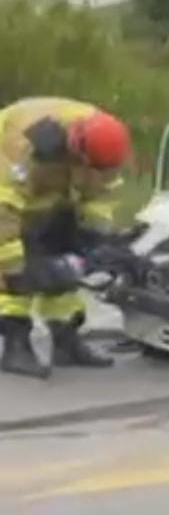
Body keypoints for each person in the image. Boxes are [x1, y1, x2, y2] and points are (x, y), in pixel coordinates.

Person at [0, 97, 132, 378]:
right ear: (76, 152)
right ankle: (15, 345)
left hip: (53, 194)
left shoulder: (102, 139)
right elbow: (4, 209)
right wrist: (12, 265)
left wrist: (95, 238)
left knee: (64, 256)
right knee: (16, 265)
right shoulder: (24, 145)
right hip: (9, 194)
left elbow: (102, 192)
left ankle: (65, 341)